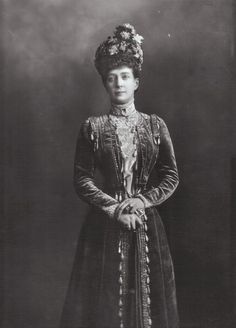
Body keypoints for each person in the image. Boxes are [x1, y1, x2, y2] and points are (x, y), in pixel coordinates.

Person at [60, 23, 179, 328]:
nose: (119, 84)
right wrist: (114, 210)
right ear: (105, 85)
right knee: (103, 304)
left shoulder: (155, 126)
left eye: (125, 77)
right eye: (111, 79)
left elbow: (170, 176)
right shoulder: (93, 127)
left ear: (136, 82)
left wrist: (141, 201)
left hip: (146, 224)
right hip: (104, 225)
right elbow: (82, 180)